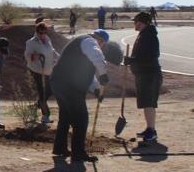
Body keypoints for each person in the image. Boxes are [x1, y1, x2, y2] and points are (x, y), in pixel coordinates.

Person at [49, 29, 111, 162]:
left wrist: (96, 90)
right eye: (103, 44)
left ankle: (60, 148)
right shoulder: (89, 41)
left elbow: (86, 74)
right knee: (81, 118)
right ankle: (78, 153)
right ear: (100, 41)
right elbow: (97, 55)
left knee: (65, 117)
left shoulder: (81, 45)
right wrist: (104, 73)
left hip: (59, 83)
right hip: (69, 86)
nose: (101, 47)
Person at [124, 11, 162, 144]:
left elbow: (151, 56)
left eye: (137, 21)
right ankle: (150, 129)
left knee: (149, 103)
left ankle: (151, 131)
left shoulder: (149, 36)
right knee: (146, 103)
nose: (135, 23)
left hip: (150, 75)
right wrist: (133, 60)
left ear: (143, 23)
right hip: (144, 75)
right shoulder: (144, 34)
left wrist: (132, 60)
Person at [25, 22, 59, 124]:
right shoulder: (31, 42)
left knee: (50, 89)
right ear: (36, 31)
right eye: (40, 32)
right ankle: (45, 116)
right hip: (37, 70)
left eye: (44, 32)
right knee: (42, 92)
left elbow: (52, 52)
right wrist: (32, 57)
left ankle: (38, 104)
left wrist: (61, 58)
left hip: (48, 69)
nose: (42, 34)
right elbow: (27, 55)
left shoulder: (48, 40)